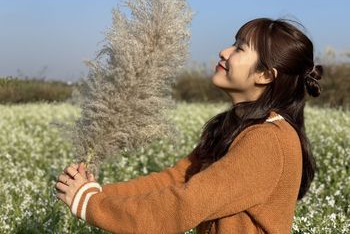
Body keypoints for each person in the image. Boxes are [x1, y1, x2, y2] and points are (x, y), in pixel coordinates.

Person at [55, 17, 323, 233]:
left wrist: (92, 204)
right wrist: (98, 194)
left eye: (240, 48)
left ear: (265, 75)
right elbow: (174, 180)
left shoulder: (268, 140)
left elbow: (183, 205)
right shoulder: (238, 127)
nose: (224, 51)